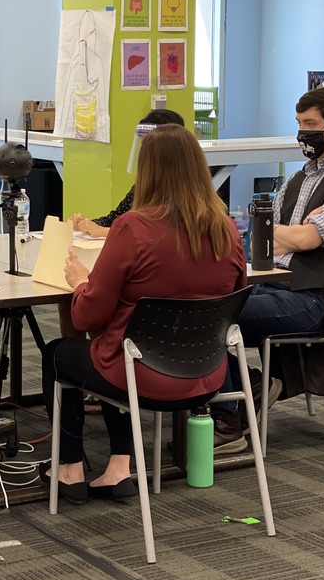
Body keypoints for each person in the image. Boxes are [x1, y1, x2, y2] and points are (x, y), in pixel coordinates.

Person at [41, 124, 246, 502]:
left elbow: (86, 316)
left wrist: (80, 282)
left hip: (143, 377)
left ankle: (69, 469)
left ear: (147, 172)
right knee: (117, 344)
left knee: (63, 353)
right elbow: (231, 300)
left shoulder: (132, 228)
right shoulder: (227, 230)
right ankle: (119, 467)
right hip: (206, 375)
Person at [210, 85, 324, 452]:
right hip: (271, 286)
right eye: (299, 123)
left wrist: (288, 233)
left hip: (312, 299)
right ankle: (251, 385)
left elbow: (309, 240)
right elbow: (260, 237)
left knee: (210, 318)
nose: (302, 132)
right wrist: (291, 232)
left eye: (310, 123)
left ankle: (230, 422)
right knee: (199, 304)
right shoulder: (298, 177)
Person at [70, 108, 186, 238]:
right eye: (142, 142)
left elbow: (158, 233)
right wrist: (87, 224)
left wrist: (103, 232)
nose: (143, 151)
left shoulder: (184, 190)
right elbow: (114, 219)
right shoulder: (144, 185)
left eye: (148, 144)